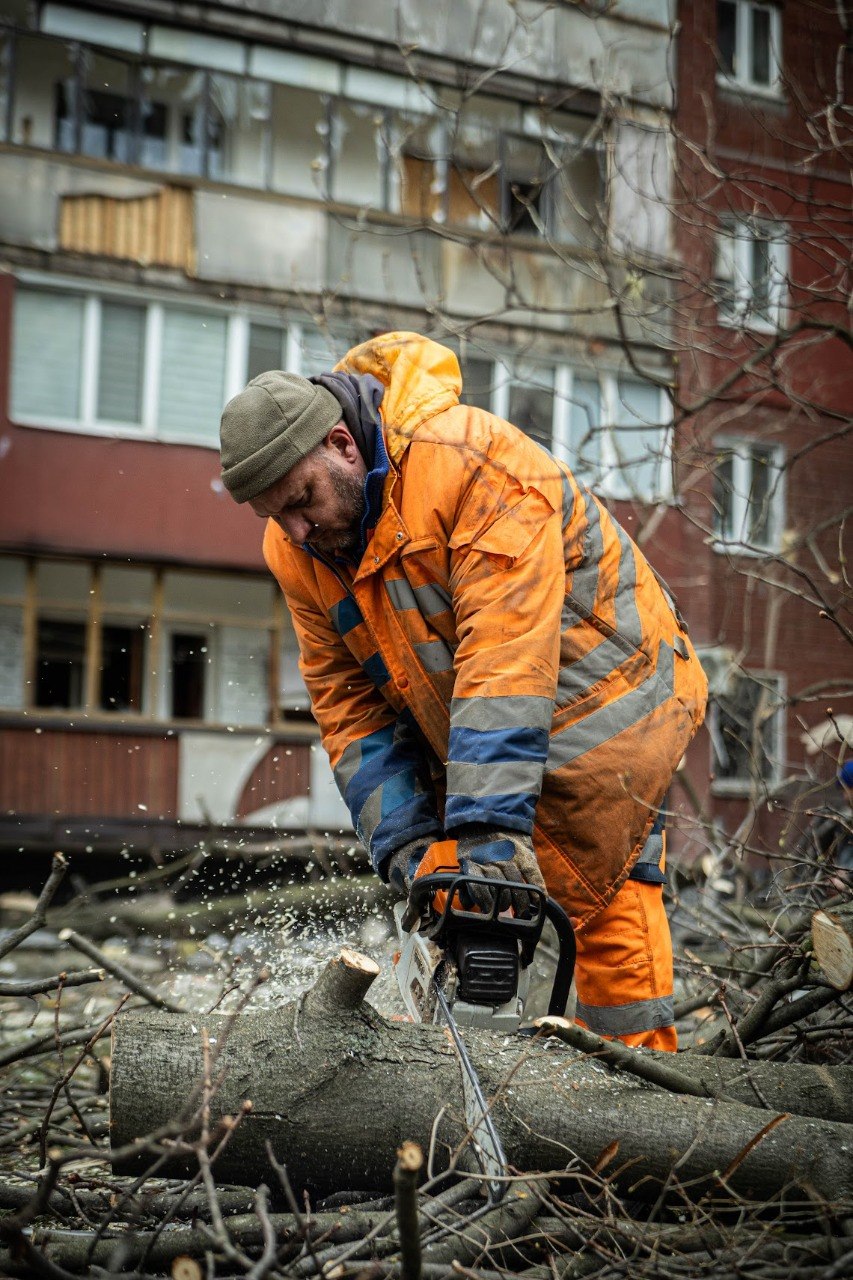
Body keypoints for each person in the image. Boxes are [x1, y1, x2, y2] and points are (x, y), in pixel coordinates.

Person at [219, 332, 708, 1051]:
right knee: (473, 906)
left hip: (610, 713)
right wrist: (409, 849)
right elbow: (348, 707)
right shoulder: (297, 548)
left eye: (302, 501)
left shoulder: (471, 462)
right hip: (486, 731)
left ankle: (638, 1095)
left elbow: (504, 657)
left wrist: (485, 833)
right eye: (275, 516)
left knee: (602, 906)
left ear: (341, 445)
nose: (297, 529)